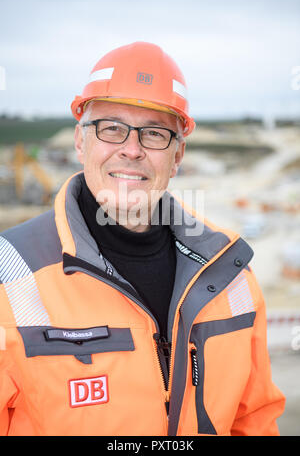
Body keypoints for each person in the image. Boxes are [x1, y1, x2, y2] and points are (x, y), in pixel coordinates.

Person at [0, 41, 285, 436]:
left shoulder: (229, 272)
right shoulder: (10, 274)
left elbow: (254, 421)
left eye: (154, 134)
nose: (131, 150)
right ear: (80, 141)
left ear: (178, 155)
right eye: (112, 128)